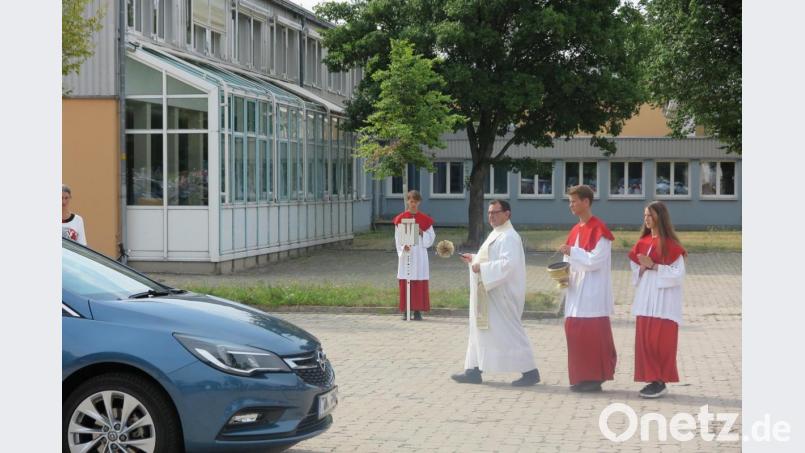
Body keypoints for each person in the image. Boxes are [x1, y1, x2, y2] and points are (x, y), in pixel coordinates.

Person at [451, 200, 540, 387]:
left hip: (502, 295)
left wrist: (480, 267)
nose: (491, 216)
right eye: (489, 212)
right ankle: (473, 370)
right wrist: (474, 259)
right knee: (478, 329)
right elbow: (489, 259)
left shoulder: (509, 236)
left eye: (495, 212)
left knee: (510, 332)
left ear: (507, 214)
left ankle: (530, 371)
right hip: (488, 292)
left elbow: (507, 265)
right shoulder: (496, 233)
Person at [558, 185, 617, 392]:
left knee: (592, 335)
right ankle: (582, 376)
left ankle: (596, 377)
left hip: (592, 292)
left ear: (586, 202)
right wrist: (561, 274)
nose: (571, 205)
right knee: (575, 332)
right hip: (576, 290)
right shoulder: (575, 230)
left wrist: (572, 252)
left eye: (574, 201)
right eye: (570, 202)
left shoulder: (599, 229)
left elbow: (595, 261)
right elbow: (569, 258)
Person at [628, 201, 687, 398]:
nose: (646, 219)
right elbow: (635, 272)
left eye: (650, 215)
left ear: (660, 218)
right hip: (646, 299)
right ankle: (652, 379)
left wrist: (653, 266)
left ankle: (660, 381)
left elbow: (678, 275)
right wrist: (643, 267)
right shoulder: (642, 243)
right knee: (645, 341)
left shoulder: (672, 246)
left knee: (660, 341)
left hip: (664, 302)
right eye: (645, 215)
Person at [393, 190, 436, 320]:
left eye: (416, 202)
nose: (413, 204)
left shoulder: (425, 219)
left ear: (419, 202)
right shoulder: (401, 218)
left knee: (418, 281)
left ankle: (417, 311)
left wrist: (423, 233)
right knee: (406, 280)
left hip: (420, 255)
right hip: (407, 254)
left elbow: (432, 237)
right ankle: (406, 311)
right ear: (407, 201)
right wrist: (402, 247)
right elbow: (397, 238)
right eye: (411, 201)